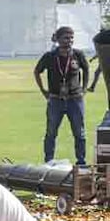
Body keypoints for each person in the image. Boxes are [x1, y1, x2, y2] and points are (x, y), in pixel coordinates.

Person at [35, 26, 90, 165]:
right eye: (66, 38)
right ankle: (48, 161)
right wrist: (43, 91)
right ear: (58, 39)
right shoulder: (50, 56)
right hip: (55, 100)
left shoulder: (78, 54)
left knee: (79, 133)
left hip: (75, 100)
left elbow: (86, 70)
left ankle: (81, 161)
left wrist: (83, 89)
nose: (69, 40)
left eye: (71, 38)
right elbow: (37, 71)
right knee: (51, 132)